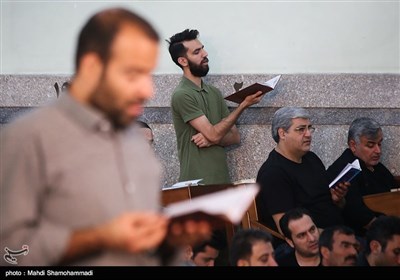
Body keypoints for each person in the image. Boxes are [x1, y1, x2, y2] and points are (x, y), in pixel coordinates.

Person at [0, 8, 210, 266]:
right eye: (133, 74)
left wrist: (170, 242)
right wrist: (97, 238)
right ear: (92, 66)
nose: (147, 89)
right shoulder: (28, 140)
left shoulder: (136, 143)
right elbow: (9, 255)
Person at [167, 29, 264, 185]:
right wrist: (243, 105)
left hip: (221, 182)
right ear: (183, 61)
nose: (205, 54)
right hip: (195, 185)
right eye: (197, 52)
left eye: (203, 48)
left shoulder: (214, 92)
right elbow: (214, 134)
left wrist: (211, 139)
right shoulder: (182, 95)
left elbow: (234, 137)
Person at [256, 106, 348, 234]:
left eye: (309, 128)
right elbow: (288, 230)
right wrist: (333, 238)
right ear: (282, 133)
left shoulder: (311, 159)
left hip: (337, 231)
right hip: (313, 244)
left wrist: (337, 199)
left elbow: (331, 205)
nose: (308, 134)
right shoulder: (273, 173)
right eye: (301, 129)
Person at [327, 117, 397, 236]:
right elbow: (360, 216)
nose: (378, 150)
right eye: (371, 145)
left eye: (379, 144)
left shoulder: (376, 167)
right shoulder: (345, 171)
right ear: (353, 145)